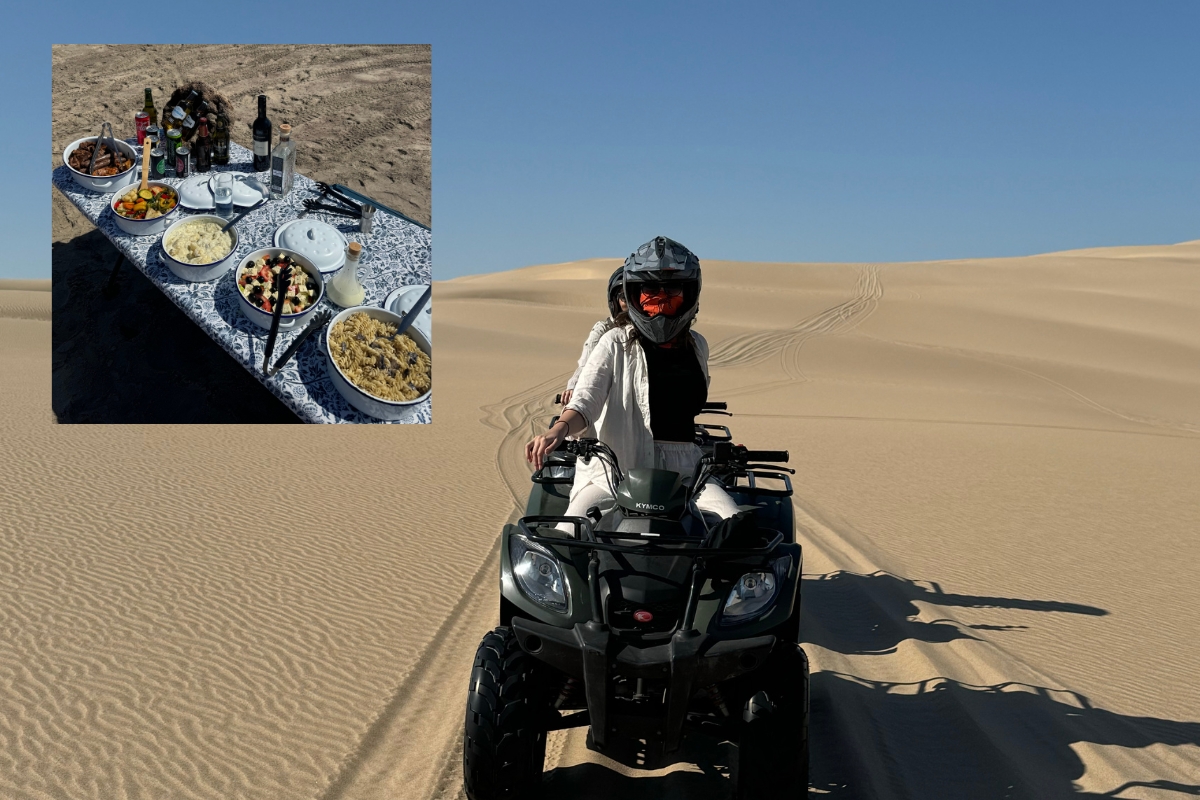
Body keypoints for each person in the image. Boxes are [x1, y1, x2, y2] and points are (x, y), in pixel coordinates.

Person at [526, 236, 740, 524]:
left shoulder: (697, 346)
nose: (661, 297)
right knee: (571, 531)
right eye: (650, 288)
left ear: (689, 292)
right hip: (615, 474)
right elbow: (586, 399)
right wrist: (560, 429)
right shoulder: (614, 341)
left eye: (672, 288)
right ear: (635, 292)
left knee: (733, 524)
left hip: (685, 475)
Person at [559, 266, 626, 407]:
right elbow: (586, 364)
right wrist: (573, 387)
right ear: (615, 301)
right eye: (624, 297)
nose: (630, 303)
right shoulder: (604, 329)